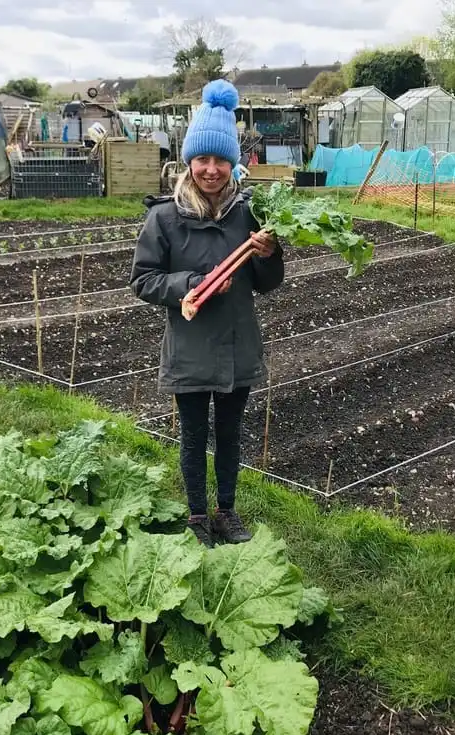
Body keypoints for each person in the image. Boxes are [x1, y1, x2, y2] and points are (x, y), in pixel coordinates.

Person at [130, 79, 284, 548]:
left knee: (231, 435)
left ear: (233, 163)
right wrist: (190, 285)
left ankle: (227, 512)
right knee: (194, 437)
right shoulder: (165, 217)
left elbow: (269, 284)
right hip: (191, 349)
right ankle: (198, 515)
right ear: (188, 161)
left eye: (221, 160)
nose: (212, 170)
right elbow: (143, 279)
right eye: (203, 159)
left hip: (238, 346)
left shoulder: (251, 214)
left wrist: (268, 253)